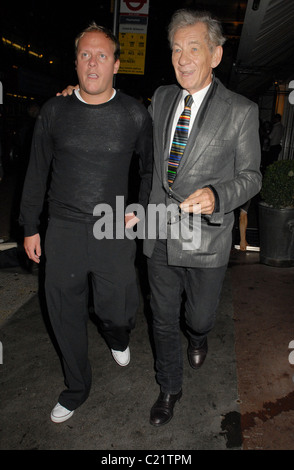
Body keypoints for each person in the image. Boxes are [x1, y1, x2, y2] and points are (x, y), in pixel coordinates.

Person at [19, 23, 153, 423]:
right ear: (75, 62)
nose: (92, 63)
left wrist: (141, 208)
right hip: (63, 226)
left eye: (101, 56)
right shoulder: (55, 111)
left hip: (113, 224)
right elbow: (36, 171)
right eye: (84, 55)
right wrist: (29, 225)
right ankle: (76, 388)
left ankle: (117, 334)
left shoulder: (134, 113)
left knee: (119, 306)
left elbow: (148, 170)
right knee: (63, 311)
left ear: (115, 64)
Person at [143, 9, 262, 426]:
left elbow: (252, 177)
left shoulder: (241, 110)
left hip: (204, 234)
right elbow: (143, 155)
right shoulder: (160, 98)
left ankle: (198, 336)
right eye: (176, 49)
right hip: (160, 227)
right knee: (161, 315)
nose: (182, 58)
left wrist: (218, 194)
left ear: (215, 54)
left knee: (198, 316)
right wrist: (81, 98)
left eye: (193, 48)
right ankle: (169, 387)